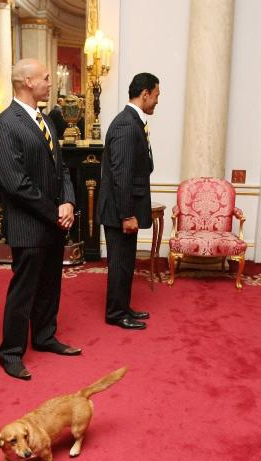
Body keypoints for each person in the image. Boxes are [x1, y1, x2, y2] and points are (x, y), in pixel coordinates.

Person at [0, 58, 79, 381]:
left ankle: (44, 336)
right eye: (44, 78)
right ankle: (11, 352)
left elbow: (62, 168)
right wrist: (54, 211)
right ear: (27, 81)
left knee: (50, 285)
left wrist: (68, 200)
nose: (50, 82)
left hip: (54, 221)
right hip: (28, 225)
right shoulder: (5, 125)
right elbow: (16, 183)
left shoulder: (48, 120)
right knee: (23, 291)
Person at [98, 73, 160, 330]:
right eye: (156, 95)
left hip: (123, 209)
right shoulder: (126, 125)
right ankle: (115, 313)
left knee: (125, 262)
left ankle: (123, 307)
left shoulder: (134, 122)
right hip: (119, 211)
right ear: (144, 93)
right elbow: (121, 175)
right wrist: (126, 215)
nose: (157, 101)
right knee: (120, 263)